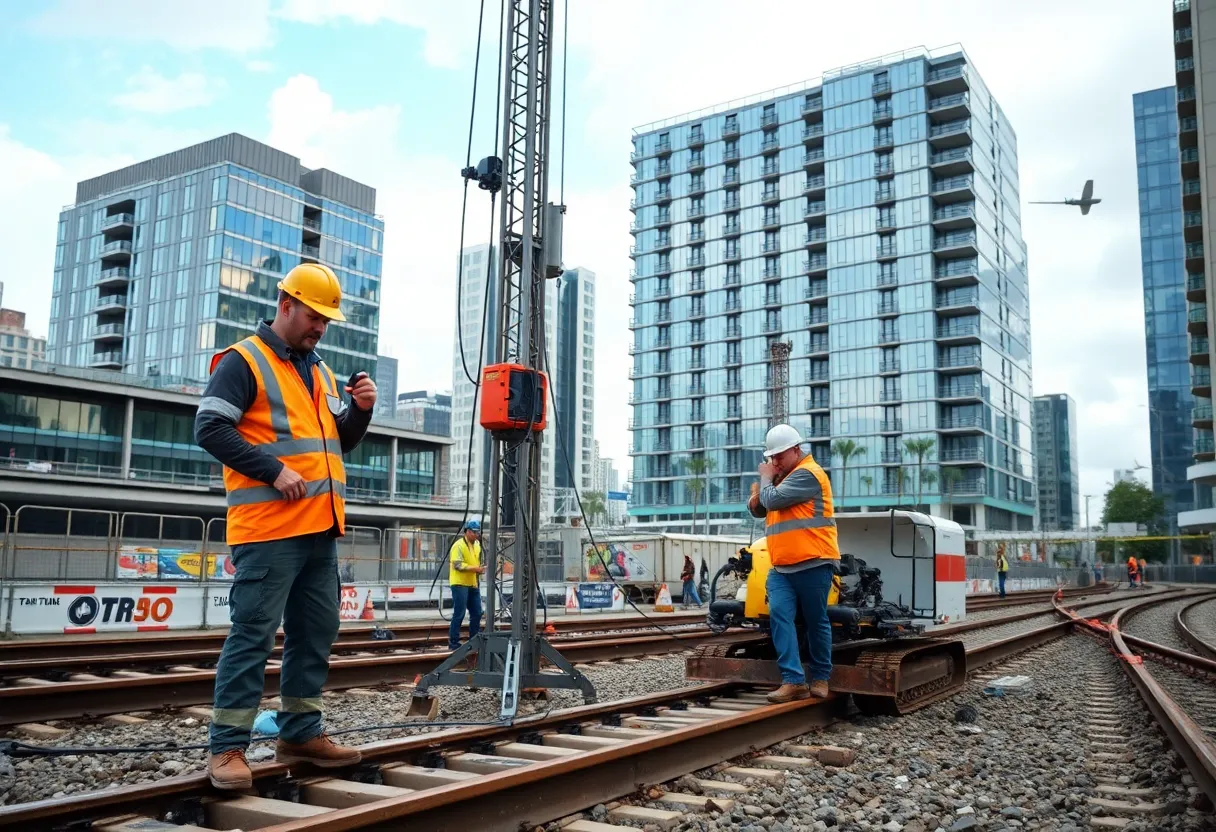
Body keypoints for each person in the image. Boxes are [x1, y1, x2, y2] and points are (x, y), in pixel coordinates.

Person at [194, 263, 376, 790]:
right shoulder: (243, 360)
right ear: (286, 304)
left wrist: (359, 413)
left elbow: (332, 443)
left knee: (316, 631)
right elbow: (209, 426)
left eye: (327, 320)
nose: (321, 327)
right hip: (269, 529)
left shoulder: (316, 370)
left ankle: (300, 732)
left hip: (319, 529)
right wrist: (272, 470)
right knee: (252, 635)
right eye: (315, 316)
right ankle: (227, 747)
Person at [746, 424, 839, 704]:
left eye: (780, 456)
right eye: (771, 458)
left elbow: (770, 501)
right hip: (781, 568)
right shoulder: (783, 478)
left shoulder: (808, 474)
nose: (775, 462)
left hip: (813, 561)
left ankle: (821, 677)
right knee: (780, 618)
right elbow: (757, 509)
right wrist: (763, 489)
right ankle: (793, 681)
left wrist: (764, 480)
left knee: (816, 621)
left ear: (797, 450)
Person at [448, 520, 486, 651]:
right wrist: (476, 569)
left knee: (477, 612)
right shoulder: (458, 545)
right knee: (459, 613)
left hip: (472, 584)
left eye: (478, 532)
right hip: (459, 583)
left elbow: (475, 562)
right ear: (468, 532)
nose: (477, 535)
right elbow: (457, 565)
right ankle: (453, 642)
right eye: (475, 532)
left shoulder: (477, 545)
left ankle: (474, 640)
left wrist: (478, 570)